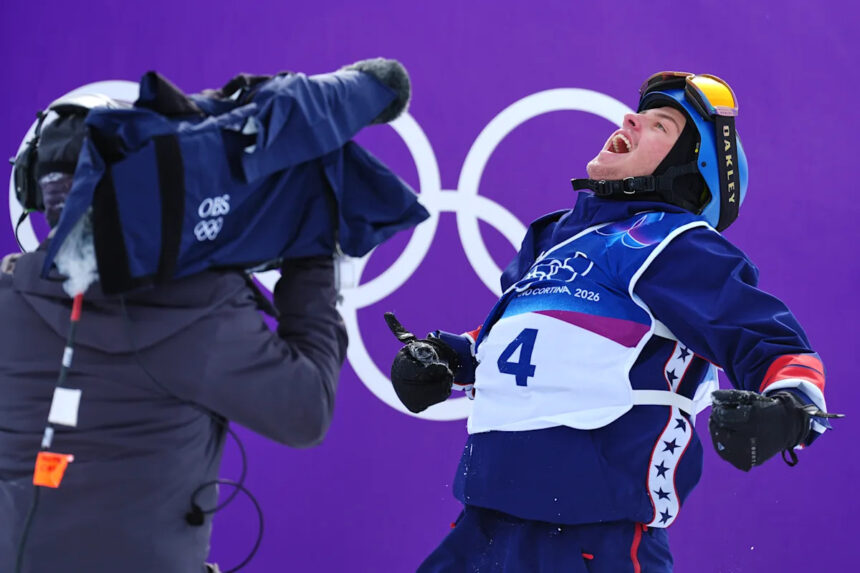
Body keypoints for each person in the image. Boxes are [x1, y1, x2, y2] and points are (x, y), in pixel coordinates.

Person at [387, 72, 838, 572]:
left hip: (591, 542)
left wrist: (789, 409)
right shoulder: (552, 240)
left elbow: (772, 345)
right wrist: (446, 358)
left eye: (660, 125)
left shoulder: (673, 243)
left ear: (690, 171)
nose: (629, 120)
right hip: (481, 527)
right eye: (637, 115)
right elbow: (511, 340)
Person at [0, 58, 414, 573]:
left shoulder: (8, 295)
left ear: (30, 191)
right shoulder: (197, 304)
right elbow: (306, 411)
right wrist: (311, 251)